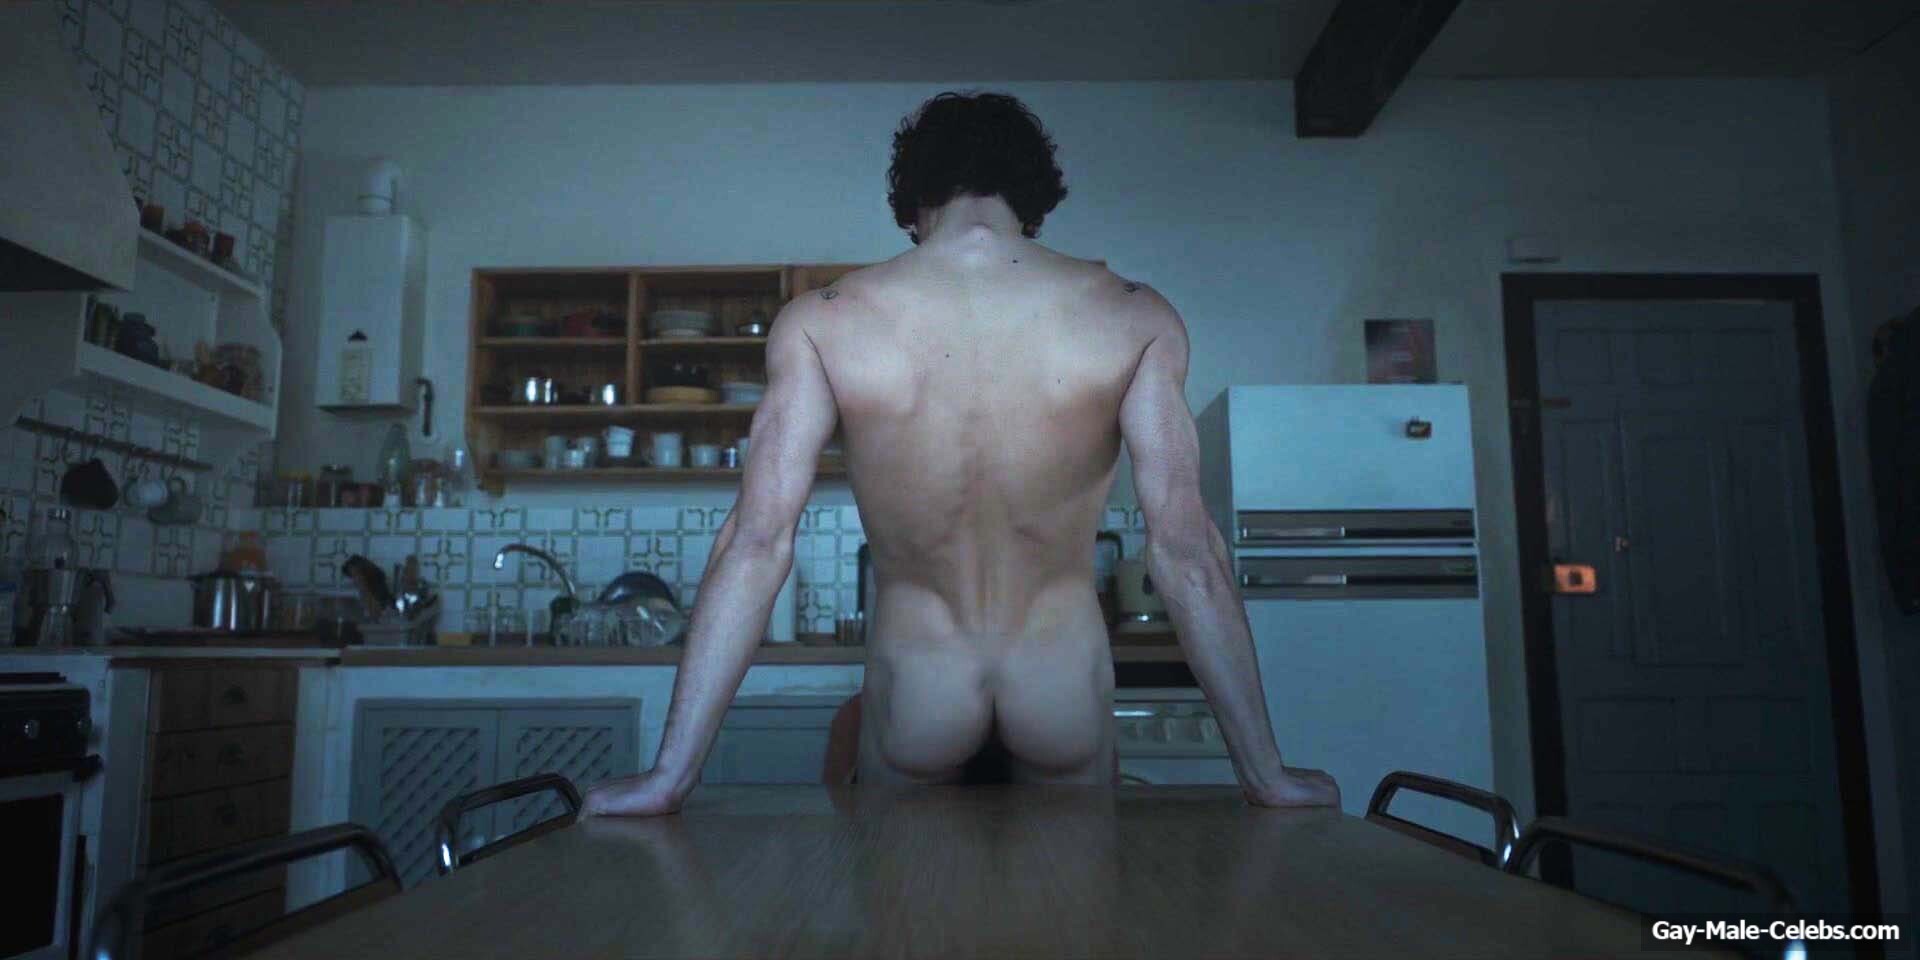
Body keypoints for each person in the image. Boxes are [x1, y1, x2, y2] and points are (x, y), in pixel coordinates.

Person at [584, 91, 1339, 814]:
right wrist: (1264, 772)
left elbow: (756, 543)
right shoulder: (1134, 316)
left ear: (913, 203)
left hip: (920, 688)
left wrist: (670, 775)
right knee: (1076, 907)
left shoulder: (824, 321)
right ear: (1033, 202)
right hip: (1060, 686)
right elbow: (1186, 551)